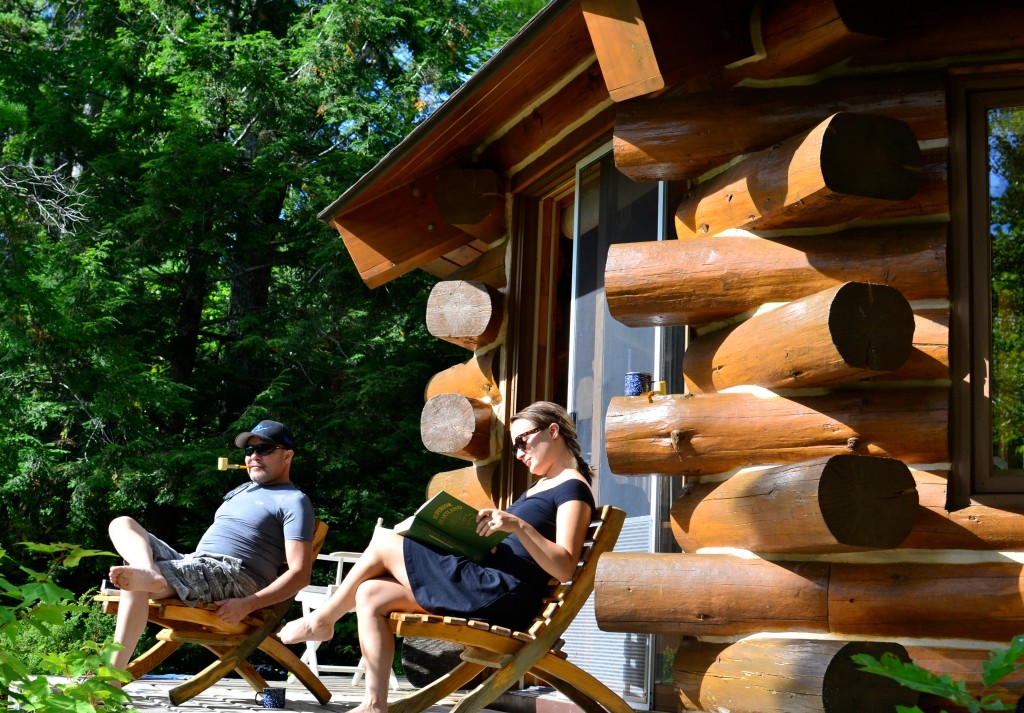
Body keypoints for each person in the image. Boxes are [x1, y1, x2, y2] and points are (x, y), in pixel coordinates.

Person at [277, 401, 596, 713]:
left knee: (386, 541)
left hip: (501, 595)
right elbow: (522, 546)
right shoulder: (545, 485)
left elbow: (565, 566)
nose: (519, 453)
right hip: (489, 582)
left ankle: (322, 620)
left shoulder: (572, 489)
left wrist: (517, 524)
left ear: (553, 431)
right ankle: (374, 704)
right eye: (514, 447)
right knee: (371, 593)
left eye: (523, 441)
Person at [105, 419, 316, 679]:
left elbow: (300, 574)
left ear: (287, 455)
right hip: (193, 562)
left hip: (235, 575)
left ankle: (110, 679)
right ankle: (150, 573)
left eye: (264, 449)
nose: (254, 457)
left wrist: (248, 605)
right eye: (249, 451)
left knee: (134, 581)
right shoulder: (241, 491)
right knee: (122, 523)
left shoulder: (294, 501)